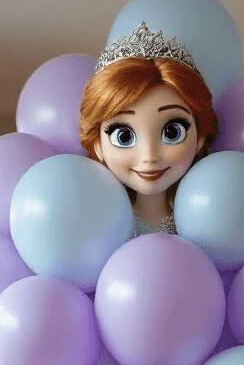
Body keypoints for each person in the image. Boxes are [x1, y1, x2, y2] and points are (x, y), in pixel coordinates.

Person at [79, 22, 218, 235]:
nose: (149, 156)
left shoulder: (210, 219)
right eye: (124, 136)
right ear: (97, 144)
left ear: (199, 138)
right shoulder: (99, 225)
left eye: (172, 133)